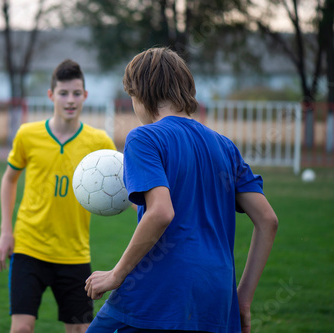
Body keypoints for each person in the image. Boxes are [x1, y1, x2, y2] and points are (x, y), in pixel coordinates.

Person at [84, 47, 278, 333]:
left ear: (141, 93)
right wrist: (243, 300)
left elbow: (161, 212)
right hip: (216, 299)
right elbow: (268, 221)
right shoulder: (225, 146)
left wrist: (116, 274)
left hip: (155, 295)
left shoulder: (144, 137)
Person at [0, 59, 116, 333]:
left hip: (74, 252)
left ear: (85, 95)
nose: (70, 100)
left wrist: (148, 211)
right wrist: (6, 232)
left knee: (80, 330)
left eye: (76, 93)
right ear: (51, 95)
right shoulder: (28, 134)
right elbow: (9, 179)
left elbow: (125, 188)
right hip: (29, 247)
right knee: (21, 329)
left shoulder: (99, 143)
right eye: (63, 93)